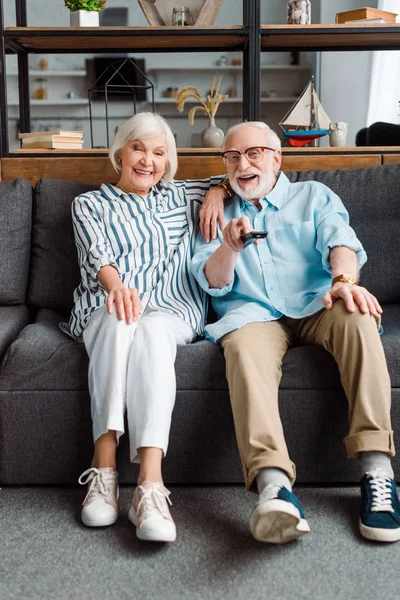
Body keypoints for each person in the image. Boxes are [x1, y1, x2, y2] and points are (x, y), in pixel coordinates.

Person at [191, 120, 400, 544]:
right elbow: (211, 281)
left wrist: (344, 281)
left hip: (316, 303)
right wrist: (229, 247)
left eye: (254, 154)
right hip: (252, 314)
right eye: (232, 157)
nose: (243, 164)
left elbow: (341, 242)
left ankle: (378, 473)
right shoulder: (212, 211)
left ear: (277, 157)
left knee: (359, 317)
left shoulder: (313, 196)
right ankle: (274, 488)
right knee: (243, 351)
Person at [62, 112, 228, 542]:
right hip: (108, 304)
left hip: (171, 309)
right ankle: (104, 473)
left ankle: (149, 489)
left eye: (159, 153)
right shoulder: (89, 204)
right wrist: (116, 287)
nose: (147, 161)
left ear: (168, 162)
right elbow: (98, 255)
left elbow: (234, 172)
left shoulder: (181, 195)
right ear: (121, 151)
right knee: (122, 320)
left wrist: (215, 190)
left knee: (151, 331)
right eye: (139, 148)